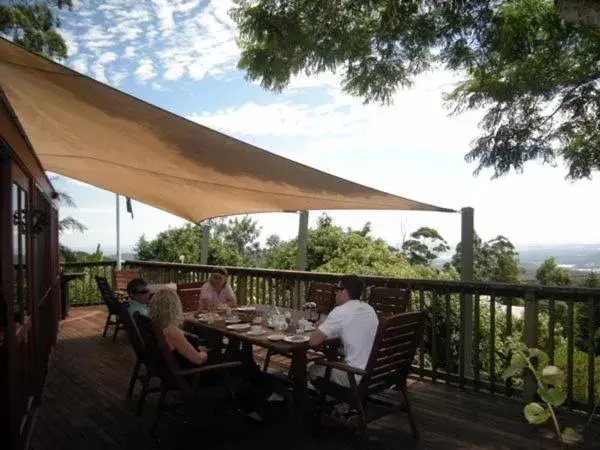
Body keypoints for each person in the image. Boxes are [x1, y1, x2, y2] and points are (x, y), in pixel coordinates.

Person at [149, 289, 270, 421]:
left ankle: (260, 386)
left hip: (181, 372)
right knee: (244, 364)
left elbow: (182, 351)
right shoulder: (171, 332)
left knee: (239, 354)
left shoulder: (158, 327)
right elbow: (199, 360)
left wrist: (196, 348)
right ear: (174, 308)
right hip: (196, 376)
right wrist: (203, 353)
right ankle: (257, 398)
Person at [308, 275, 378, 387]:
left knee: (313, 368)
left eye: (337, 290)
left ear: (345, 291)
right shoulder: (369, 309)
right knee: (330, 360)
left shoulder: (340, 311)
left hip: (355, 376)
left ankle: (310, 399)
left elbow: (313, 341)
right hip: (375, 374)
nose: (335, 293)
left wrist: (320, 326)